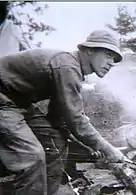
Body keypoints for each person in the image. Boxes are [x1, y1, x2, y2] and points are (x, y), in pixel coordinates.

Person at [0, 30, 125, 195]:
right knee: (32, 155)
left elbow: (59, 118)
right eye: (108, 55)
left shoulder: (72, 69)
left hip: (18, 102)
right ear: (90, 50)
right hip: (3, 99)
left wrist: (85, 145)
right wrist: (108, 149)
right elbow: (76, 119)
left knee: (56, 141)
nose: (111, 63)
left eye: (114, 60)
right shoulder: (67, 65)